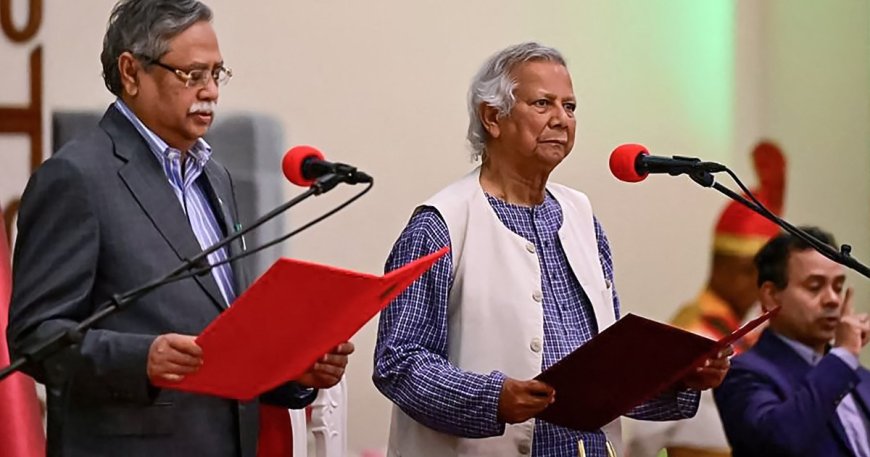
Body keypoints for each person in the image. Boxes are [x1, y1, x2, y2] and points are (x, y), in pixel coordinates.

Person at [5, 1, 353, 456]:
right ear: (131, 73)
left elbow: (219, 338)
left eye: (217, 73)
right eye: (192, 75)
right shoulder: (76, 178)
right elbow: (35, 337)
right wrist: (140, 360)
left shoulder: (216, 177)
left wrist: (290, 371)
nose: (210, 92)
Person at [373, 42, 731, 457]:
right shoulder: (440, 224)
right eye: (543, 104)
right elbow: (399, 363)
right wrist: (493, 398)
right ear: (493, 117)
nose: (562, 120)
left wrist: (682, 379)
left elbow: (607, 376)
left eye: (571, 107)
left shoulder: (582, 217)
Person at [627, 142, 787, 457]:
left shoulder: (745, 337)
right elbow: (643, 442)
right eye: (761, 277)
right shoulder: (693, 337)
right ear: (738, 271)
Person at [714, 227, 870, 457]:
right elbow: (778, 442)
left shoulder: (859, 375)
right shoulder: (744, 373)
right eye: (815, 287)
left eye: (838, 287)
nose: (833, 300)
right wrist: (843, 356)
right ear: (771, 296)